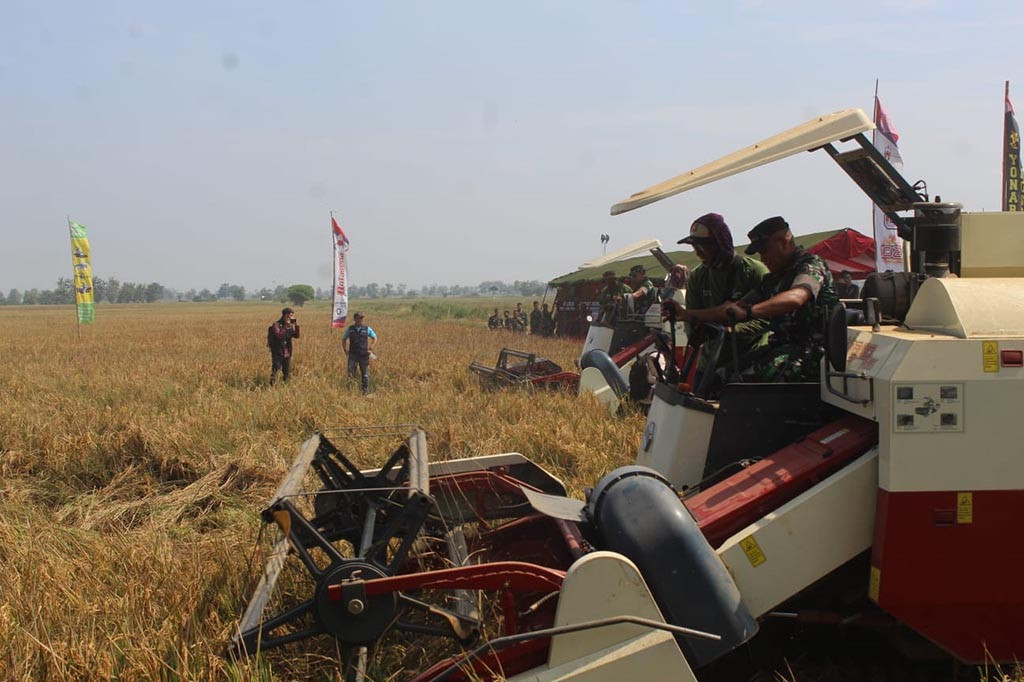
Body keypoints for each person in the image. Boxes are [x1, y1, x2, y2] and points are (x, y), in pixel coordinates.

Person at [663, 216, 838, 383]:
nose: (763, 258)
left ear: (784, 242)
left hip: (812, 351)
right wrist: (684, 314)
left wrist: (749, 312)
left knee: (746, 382)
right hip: (782, 347)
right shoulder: (774, 278)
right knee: (723, 377)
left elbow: (796, 298)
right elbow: (731, 309)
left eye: (765, 251)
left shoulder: (811, 265)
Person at [676, 213, 770, 370]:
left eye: (702, 246)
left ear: (720, 244)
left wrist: (729, 331)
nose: (698, 253)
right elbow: (693, 326)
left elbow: (767, 320)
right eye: (694, 247)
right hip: (709, 367)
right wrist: (695, 331)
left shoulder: (754, 271)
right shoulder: (698, 277)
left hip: (750, 366)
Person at [342, 311, 377, 393]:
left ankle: (365, 392)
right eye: (359, 318)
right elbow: (344, 339)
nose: (361, 320)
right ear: (355, 319)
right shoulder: (350, 329)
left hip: (364, 355)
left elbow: (375, 338)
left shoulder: (367, 329)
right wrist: (345, 350)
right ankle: (350, 391)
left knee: (365, 375)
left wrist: (371, 347)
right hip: (353, 355)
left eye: (362, 318)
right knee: (351, 373)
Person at [267, 307, 300, 385]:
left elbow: (296, 336)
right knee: (275, 371)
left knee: (287, 372)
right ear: (285, 315)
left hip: (287, 352)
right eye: (290, 316)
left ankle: (286, 386)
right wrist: (286, 327)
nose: (292, 317)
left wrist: (295, 325)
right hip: (278, 352)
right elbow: (279, 336)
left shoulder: (290, 325)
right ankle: (271, 386)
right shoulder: (276, 325)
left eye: (292, 316)